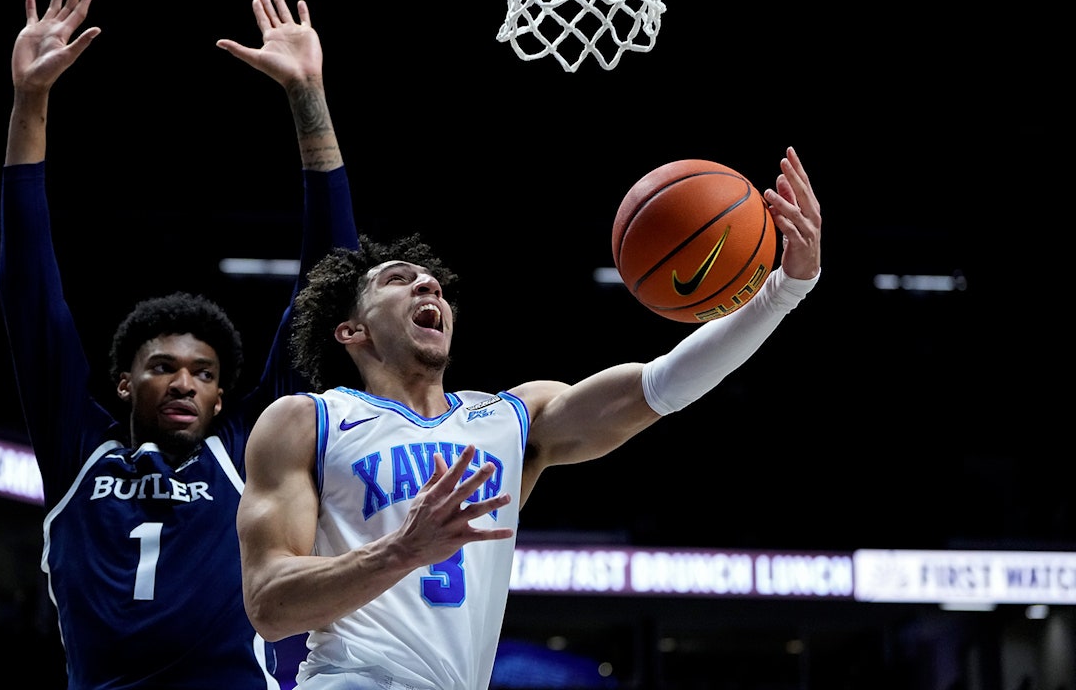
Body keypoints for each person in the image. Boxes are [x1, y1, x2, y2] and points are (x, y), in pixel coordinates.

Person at [236, 146, 822, 689]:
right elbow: (269, 607)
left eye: (432, 283)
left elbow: (661, 384)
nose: (427, 283)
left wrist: (785, 290)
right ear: (351, 331)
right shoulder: (306, 420)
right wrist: (401, 551)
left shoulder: (512, 419)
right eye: (398, 281)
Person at [0, 0, 357, 688]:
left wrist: (307, 96)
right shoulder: (79, 451)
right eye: (164, 366)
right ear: (126, 383)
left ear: (225, 398)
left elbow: (331, 281)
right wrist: (29, 103)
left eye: (204, 373)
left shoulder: (243, 453)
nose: (185, 381)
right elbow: (27, 290)